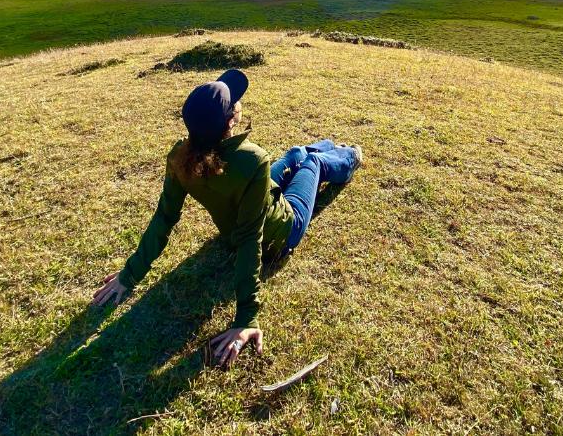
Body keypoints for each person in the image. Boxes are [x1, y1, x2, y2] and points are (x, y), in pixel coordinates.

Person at [92, 68, 363, 369]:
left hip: (251, 197)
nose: (238, 102)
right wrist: (246, 317)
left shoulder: (181, 157)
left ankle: (325, 145)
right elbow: (250, 238)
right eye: (234, 102)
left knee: (296, 153)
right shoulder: (251, 159)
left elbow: (164, 217)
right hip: (285, 228)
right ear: (231, 120)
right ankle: (350, 157)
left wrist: (130, 275)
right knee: (312, 163)